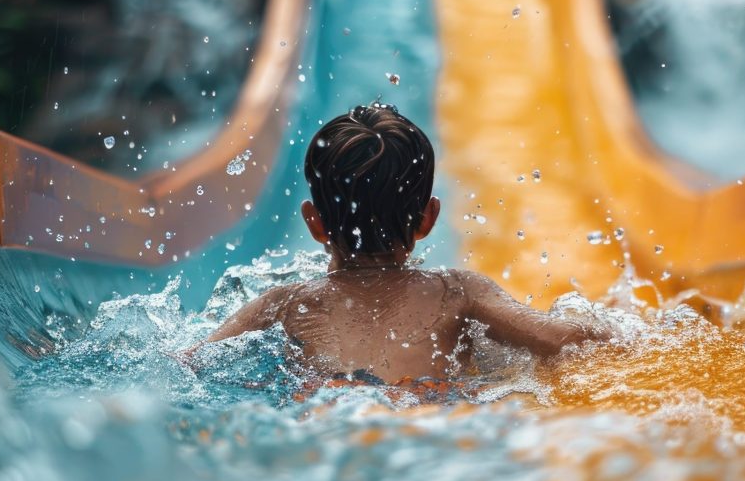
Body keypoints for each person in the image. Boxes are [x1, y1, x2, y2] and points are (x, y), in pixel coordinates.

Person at [192, 102, 612, 384]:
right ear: (428, 218)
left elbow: (191, 364)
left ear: (314, 223)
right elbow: (561, 340)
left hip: (322, 415)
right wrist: (616, 330)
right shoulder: (458, 291)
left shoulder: (283, 303)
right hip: (426, 413)